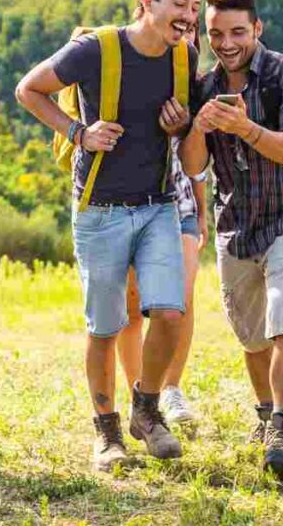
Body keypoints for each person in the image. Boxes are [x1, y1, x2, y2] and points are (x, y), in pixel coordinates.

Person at [16, 0, 204, 471]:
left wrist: (182, 126)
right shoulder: (95, 48)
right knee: (105, 326)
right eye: (178, 4)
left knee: (169, 312)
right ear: (148, 1)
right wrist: (78, 132)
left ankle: (146, 410)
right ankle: (107, 435)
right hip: (99, 210)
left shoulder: (185, 59)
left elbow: (192, 151)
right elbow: (28, 90)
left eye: (194, 6)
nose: (189, 16)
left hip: (158, 206)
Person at [180, 0, 283, 486]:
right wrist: (198, 126)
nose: (226, 42)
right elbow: (193, 166)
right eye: (215, 33)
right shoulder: (203, 86)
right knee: (253, 336)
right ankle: (266, 415)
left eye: (237, 31)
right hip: (235, 223)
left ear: (257, 29)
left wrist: (246, 129)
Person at [116, 23, 209, 425]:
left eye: (192, 29)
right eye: (179, 25)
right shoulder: (127, 70)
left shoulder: (196, 85)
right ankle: (141, 394)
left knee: (179, 302)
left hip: (181, 204)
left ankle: (169, 390)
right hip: (129, 204)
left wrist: (203, 209)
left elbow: (199, 160)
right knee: (132, 309)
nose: (185, 35)